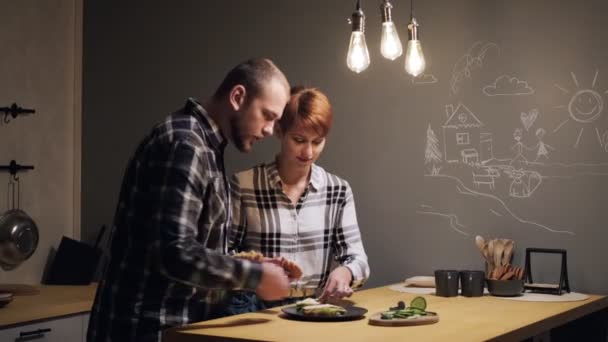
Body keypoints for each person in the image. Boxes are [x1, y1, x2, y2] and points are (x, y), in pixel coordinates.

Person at [87, 58, 293, 342]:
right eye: (267, 115)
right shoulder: (186, 144)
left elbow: (193, 246)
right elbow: (175, 252)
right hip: (145, 330)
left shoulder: (207, 145)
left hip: (172, 328)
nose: (270, 130)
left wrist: (258, 266)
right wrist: (255, 276)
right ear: (237, 97)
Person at [220, 86, 370, 316]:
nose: (308, 152)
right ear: (279, 130)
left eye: (317, 141)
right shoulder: (245, 185)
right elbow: (224, 253)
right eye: (299, 140)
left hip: (315, 307)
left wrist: (345, 272)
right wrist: (259, 269)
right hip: (253, 308)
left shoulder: (337, 190)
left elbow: (357, 257)